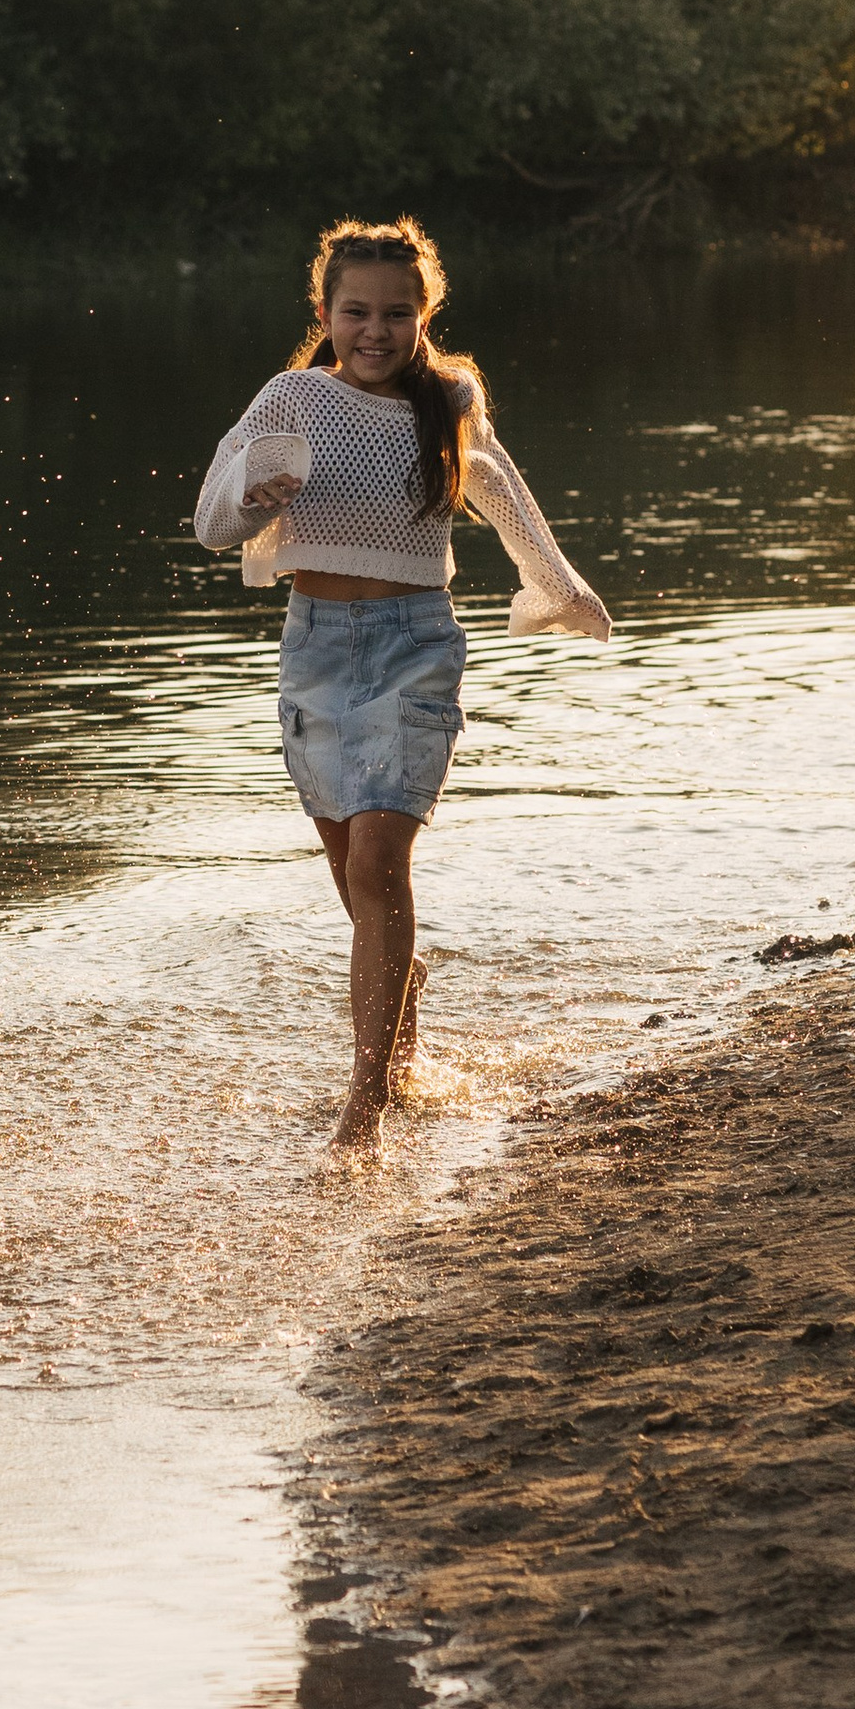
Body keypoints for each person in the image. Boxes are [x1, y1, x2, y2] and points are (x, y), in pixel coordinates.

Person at [194, 218, 612, 1149]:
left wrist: (561, 587)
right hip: (315, 650)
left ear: (425, 315)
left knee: (382, 864)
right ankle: (400, 990)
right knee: (354, 878)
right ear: (325, 313)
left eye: (396, 313)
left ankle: (366, 1103)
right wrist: (250, 500)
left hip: (416, 644)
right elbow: (211, 521)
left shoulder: (450, 400)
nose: (375, 331)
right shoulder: (290, 400)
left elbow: (502, 492)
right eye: (356, 312)